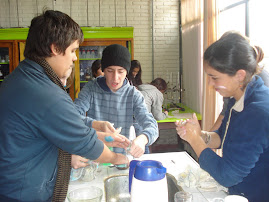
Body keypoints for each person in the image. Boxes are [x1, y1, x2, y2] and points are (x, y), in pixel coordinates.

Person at [0, 10, 128, 202]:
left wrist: (104, 136)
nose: (75, 58)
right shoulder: (45, 93)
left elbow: (65, 126)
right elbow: (86, 144)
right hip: (23, 193)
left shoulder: (20, 79)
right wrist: (119, 159)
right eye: (73, 50)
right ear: (55, 48)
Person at [175, 32, 269, 201]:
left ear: (240, 75)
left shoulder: (257, 112)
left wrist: (194, 140)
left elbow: (227, 175)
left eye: (214, 78)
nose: (210, 84)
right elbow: (222, 137)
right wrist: (201, 135)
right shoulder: (238, 97)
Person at [74, 44, 158, 157]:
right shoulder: (91, 89)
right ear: (103, 70)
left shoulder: (133, 94)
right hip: (95, 157)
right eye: (110, 71)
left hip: (121, 159)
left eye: (120, 71)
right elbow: (72, 118)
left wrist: (142, 139)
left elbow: (152, 125)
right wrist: (97, 124)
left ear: (127, 71)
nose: (115, 78)